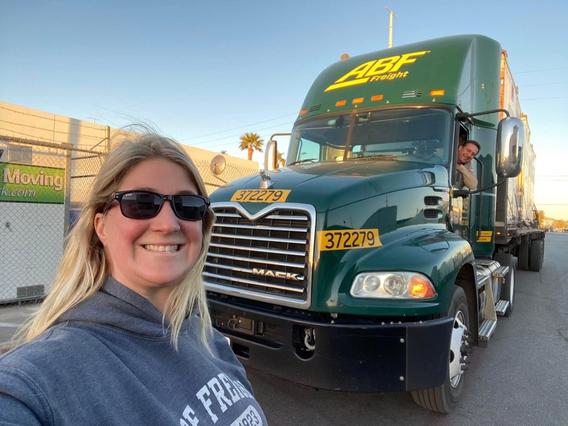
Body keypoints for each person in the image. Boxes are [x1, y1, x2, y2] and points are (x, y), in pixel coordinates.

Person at [0, 132, 266, 425]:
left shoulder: (205, 336)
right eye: (141, 203)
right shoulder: (40, 377)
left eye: (187, 205)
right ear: (101, 227)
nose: (168, 224)